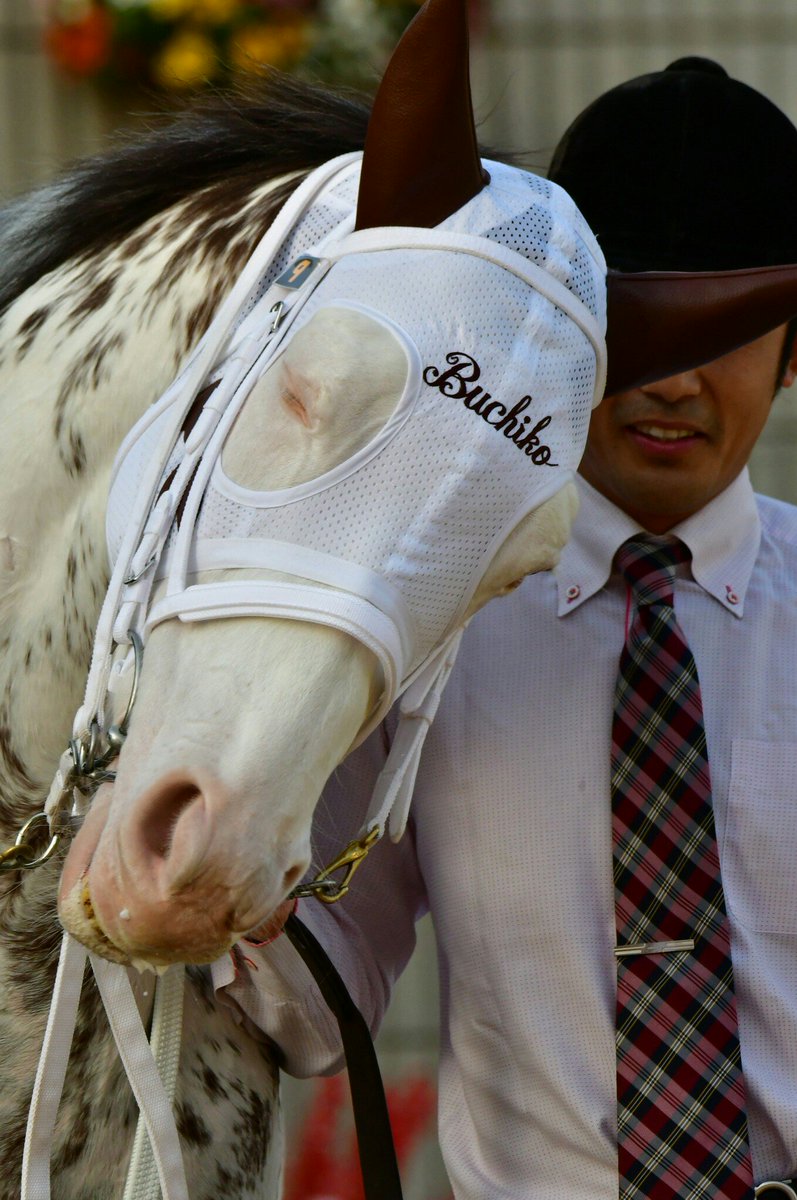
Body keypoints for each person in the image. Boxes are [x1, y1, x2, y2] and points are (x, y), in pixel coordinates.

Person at [215, 59, 797, 1198]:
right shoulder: (430, 619)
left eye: (720, 326)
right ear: (556, 336)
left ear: (792, 354)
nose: (669, 379)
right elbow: (306, 995)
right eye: (632, 321)